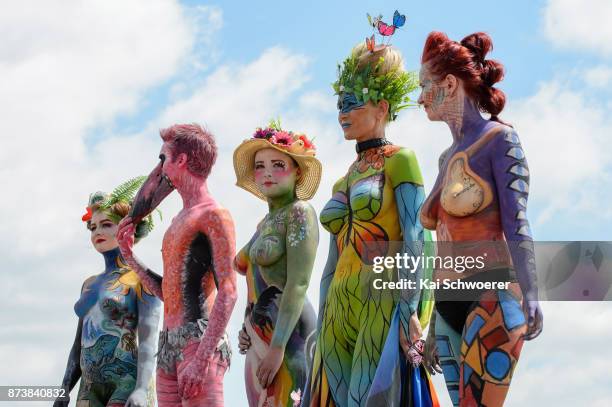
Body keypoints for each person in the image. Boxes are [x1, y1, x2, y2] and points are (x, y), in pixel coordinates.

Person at [303, 17, 438, 406]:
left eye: (351, 103)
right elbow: (333, 257)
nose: (342, 112)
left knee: (373, 397)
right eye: (339, 104)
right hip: (339, 306)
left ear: (381, 107)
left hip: (382, 296)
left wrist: (410, 307)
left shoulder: (402, 161)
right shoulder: (343, 179)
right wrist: (324, 309)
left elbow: (415, 235)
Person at [417, 31, 544, 406]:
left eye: (425, 85)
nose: (420, 96)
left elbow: (516, 221)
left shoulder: (499, 140)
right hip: (447, 306)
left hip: (491, 295)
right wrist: (432, 328)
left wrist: (532, 290)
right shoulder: (445, 158)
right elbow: (441, 240)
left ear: (450, 84)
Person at [116, 123, 237, 406]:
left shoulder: (214, 215)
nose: (160, 168)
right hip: (169, 347)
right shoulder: (176, 223)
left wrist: (202, 358)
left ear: (180, 160)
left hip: (199, 341)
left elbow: (229, 292)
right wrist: (130, 256)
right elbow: (169, 292)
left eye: (163, 158)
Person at [233, 121, 320, 407]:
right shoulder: (264, 223)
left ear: (297, 171)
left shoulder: (299, 213)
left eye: (277, 164)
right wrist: (246, 325)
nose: (267, 172)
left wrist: (278, 347)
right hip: (259, 335)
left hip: (289, 333)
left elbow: (298, 282)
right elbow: (251, 276)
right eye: (259, 166)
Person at [55, 178, 161, 407]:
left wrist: (142, 389)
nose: (97, 232)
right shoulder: (89, 284)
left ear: (127, 229)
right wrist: (64, 389)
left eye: (106, 224)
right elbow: (77, 345)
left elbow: (148, 340)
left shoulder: (141, 280)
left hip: (127, 381)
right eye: (93, 227)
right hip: (90, 385)